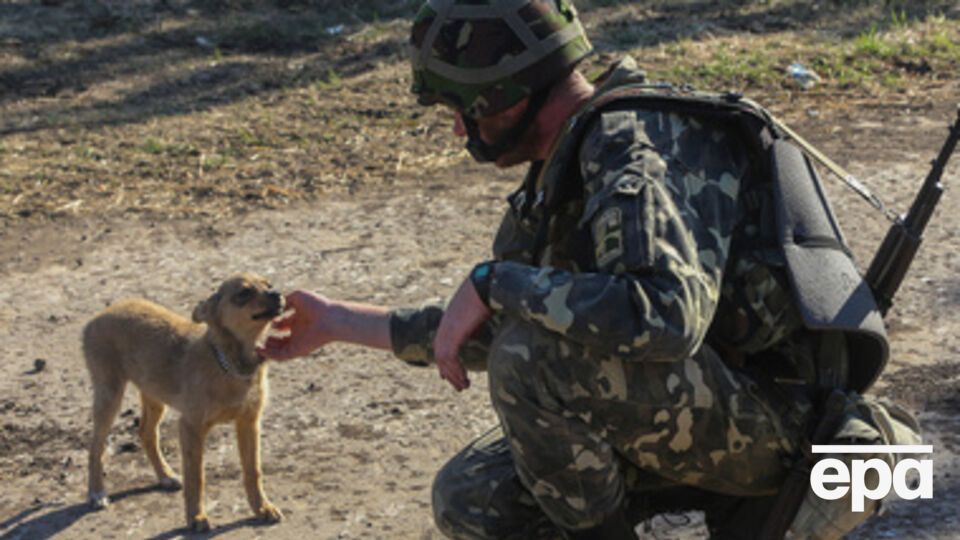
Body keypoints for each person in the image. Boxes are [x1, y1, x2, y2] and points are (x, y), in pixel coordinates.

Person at [259, 1, 915, 538]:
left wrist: (495, 281)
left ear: (515, 92)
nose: (460, 131)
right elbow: (496, 324)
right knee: (470, 496)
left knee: (533, 359)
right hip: (696, 410)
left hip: (788, 429)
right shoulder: (569, 158)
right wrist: (340, 322)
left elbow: (665, 317)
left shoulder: (633, 146)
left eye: (470, 108)